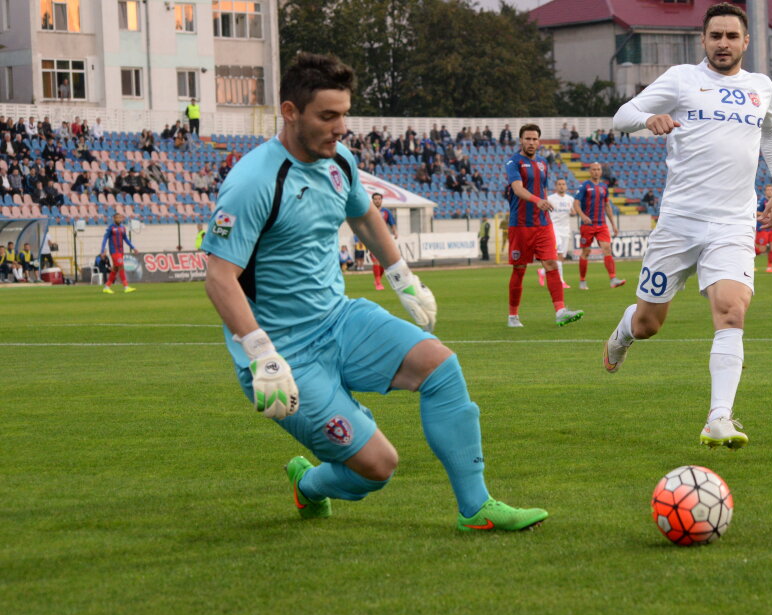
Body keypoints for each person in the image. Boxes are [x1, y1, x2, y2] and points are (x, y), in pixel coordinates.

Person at [201, 52, 546, 530]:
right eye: (327, 116)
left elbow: (363, 214)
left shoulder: (339, 158)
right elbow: (219, 276)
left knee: (442, 367)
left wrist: (404, 278)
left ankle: (477, 508)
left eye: (344, 114)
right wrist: (261, 353)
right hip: (284, 353)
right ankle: (308, 484)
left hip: (339, 320)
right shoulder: (253, 182)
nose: (340, 127)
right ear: (290, 112)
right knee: (378, 468)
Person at [604, 1, 772, 449]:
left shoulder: (760, 87)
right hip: (680, 222)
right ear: (703, 40)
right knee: (649, 323)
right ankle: (623, 333)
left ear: (746, 41)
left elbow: (770, 132)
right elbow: (620, 117)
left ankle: (718, 417)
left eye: (731, 36)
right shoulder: (683, 79)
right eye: (715, 36)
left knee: (732, 310)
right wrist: (649, 119)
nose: (722, 44)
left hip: (733, 222)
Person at [503, 124, 583, 328]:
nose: (531, 142)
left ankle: (560, 311)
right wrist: (537, 200)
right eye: (527, 139)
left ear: (539, 141)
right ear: (521, 140)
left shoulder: (542, 163)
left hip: (542, 224)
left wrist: (543, 202)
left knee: (552, 264)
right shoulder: (513, 162)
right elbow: (518, 188)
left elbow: (541, 189)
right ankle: (513, 316)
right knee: (519, 269)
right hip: (520, 225)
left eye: (534, 139)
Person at [574, 162, 626, 290]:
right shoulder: (585, 186)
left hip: (601, 224)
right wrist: (583, 216)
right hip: (588, 225)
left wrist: (613, 224)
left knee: (607, 248)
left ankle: (613, 279)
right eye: (594, 169)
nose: (596, 172)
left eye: (598, 169)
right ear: (590, 171)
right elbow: (575, 203)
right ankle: (582, 281)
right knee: (586, 251)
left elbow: (607, 206)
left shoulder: (604, 187)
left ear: (601, 171)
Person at [539, 178, 575, 289]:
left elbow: (572, 212)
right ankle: (561, 281)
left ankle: (542, 271)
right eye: (559, 184)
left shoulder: (570, 199)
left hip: (565, 230)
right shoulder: (550, 198)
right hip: (554, 228)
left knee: (562, 257)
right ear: (556, 186)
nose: (561, 186)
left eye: (563, 184)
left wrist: (573, 213)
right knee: (558, 255)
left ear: (566, 186)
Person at [100, 211, 137, 293]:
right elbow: (105, 239)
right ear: (114, 219)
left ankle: (107, 287)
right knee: (121, 266)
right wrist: (102, 250)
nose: (119, 219)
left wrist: (133, 247)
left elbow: (126, 239)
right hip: (114, 251)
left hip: (120, 251)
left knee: (115, 268)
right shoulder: (111, 228)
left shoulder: (123, 228)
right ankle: (126, 286)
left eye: (120, 217)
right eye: (117, 217)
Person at [369, 192, 396, 290]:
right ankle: (378, 283)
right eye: (375, 199)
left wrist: (395, 232)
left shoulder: (386, 212)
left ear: (381, 200)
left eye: (379, 199)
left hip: (384, 239)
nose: (377, 200)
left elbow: (392, 223)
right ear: (372, 200)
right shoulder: (369, 210)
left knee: (384, 263)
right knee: (376, 261)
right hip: (372, 239)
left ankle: (378, 279)